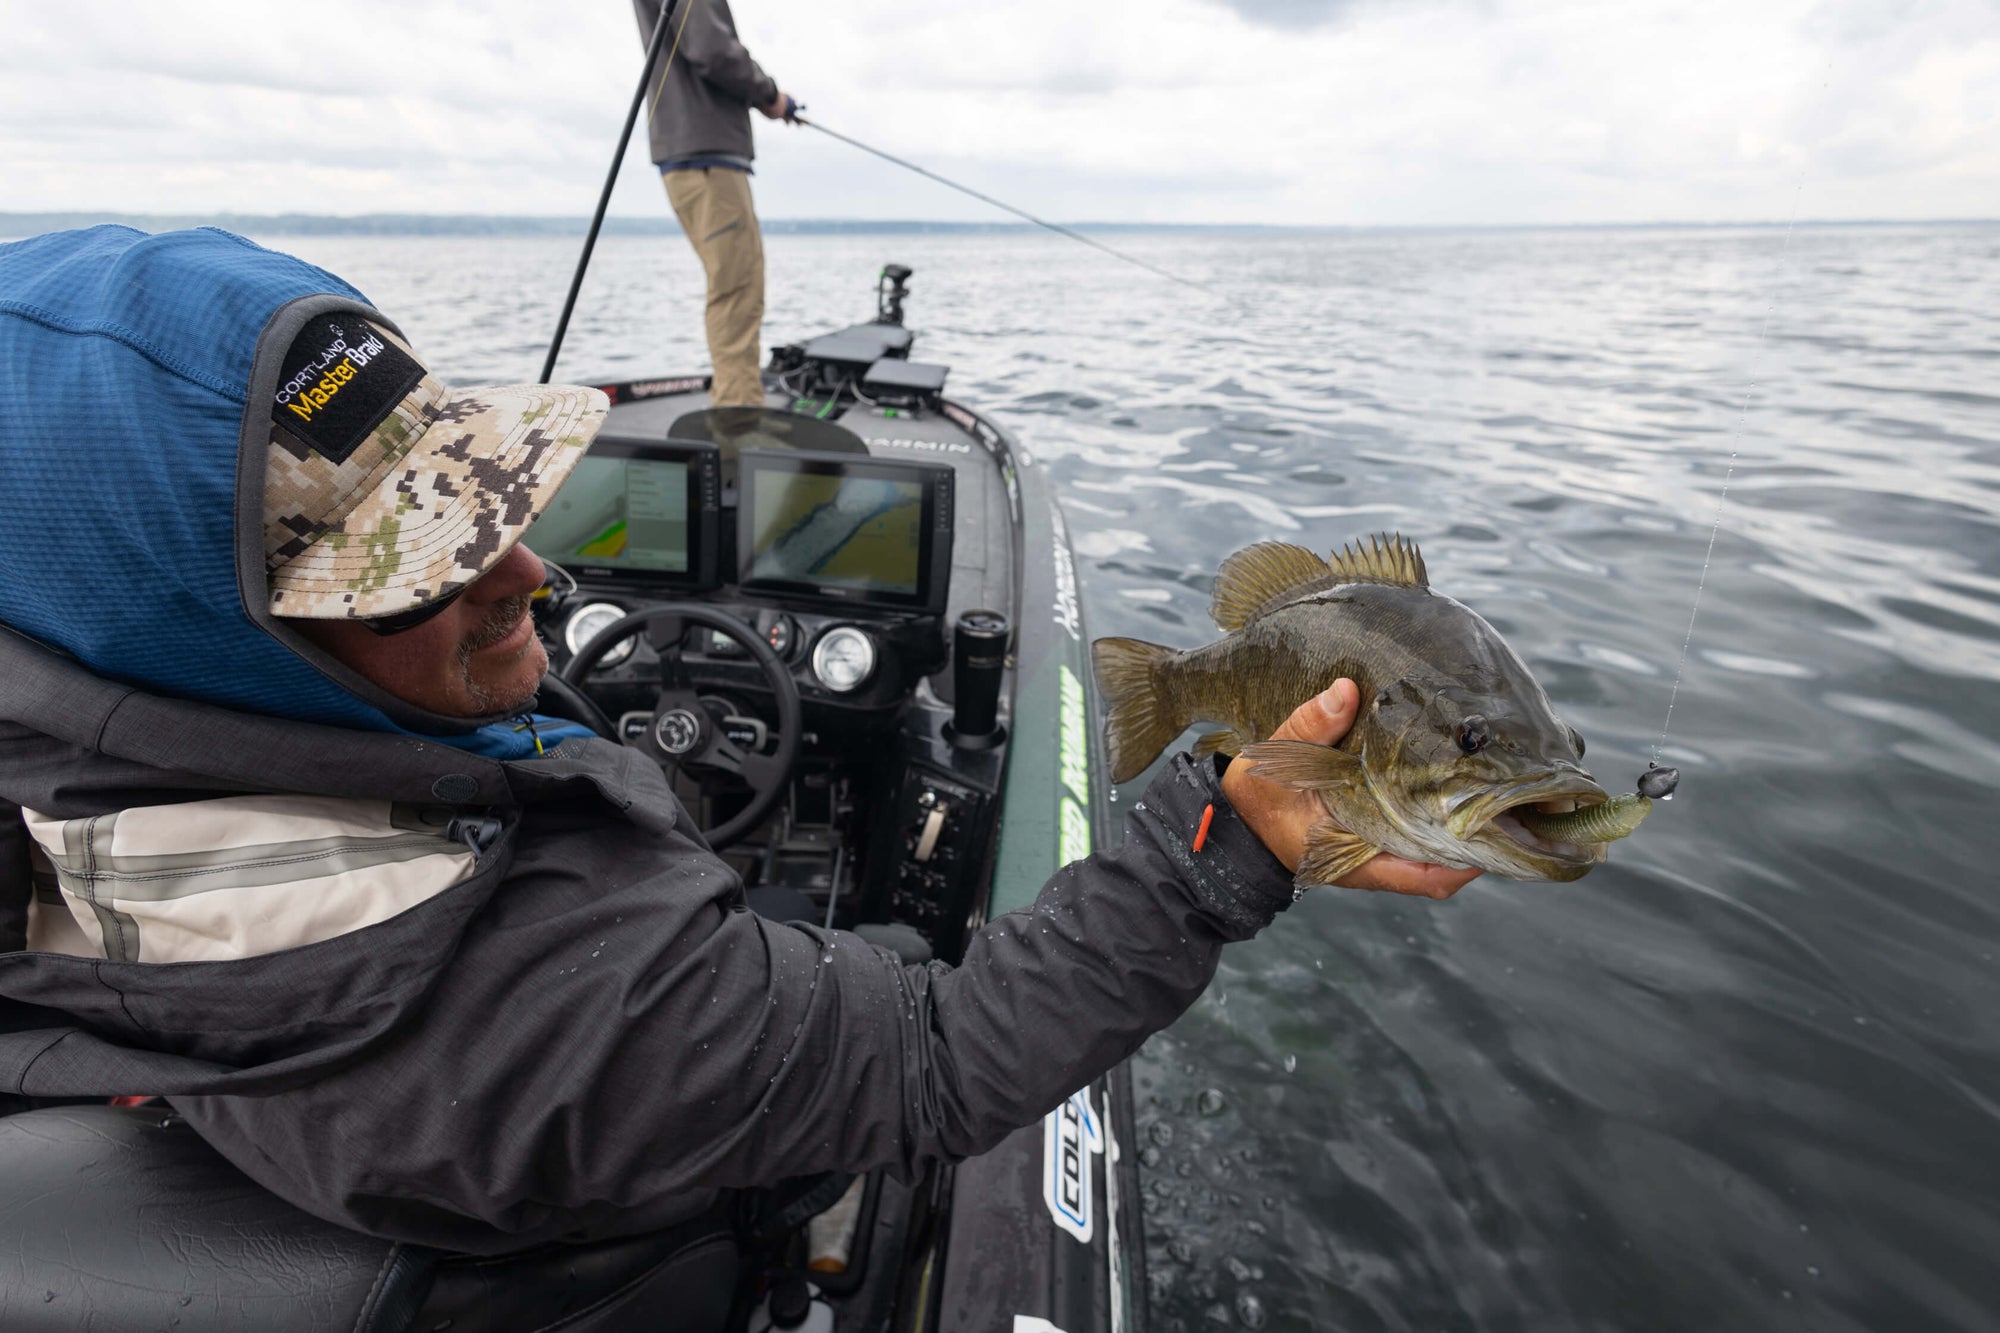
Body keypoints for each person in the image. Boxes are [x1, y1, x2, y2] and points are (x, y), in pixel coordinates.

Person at [0, 225, 1478, 1254]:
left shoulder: (69, 786)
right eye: (426, 564)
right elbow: (933, 1063)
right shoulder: (571, 1003)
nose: (528, 575)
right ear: (210, 646)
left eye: (493, 500)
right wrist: (1228, 838)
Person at [633, 0, 796, 410]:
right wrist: (770, 93)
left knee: (732, 289)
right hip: (707, 157)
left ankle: (734, 415)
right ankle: (738, 430)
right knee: (738, 291)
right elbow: (712, 50)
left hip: (693, 153)